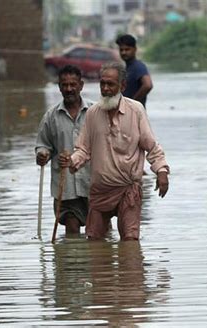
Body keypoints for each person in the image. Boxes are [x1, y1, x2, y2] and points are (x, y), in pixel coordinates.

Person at [60, 61, 169, 241]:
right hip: (100, 190)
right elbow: (83, 149)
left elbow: (151, 146)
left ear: (122, 86)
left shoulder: (136, 110)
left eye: (110, 84)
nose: (105, 88)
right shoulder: (93, 113)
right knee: (94, 241)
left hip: (128, 188)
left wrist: (162, 171)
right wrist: (71, 161)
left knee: (130, 241)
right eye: (102, 83)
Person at [35, 65, 93, 235]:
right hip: (65, 185)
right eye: (64, 85)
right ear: (59, 87)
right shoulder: (51, 116)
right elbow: (43, 144)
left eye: (73, 85)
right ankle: (69, 260)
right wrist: (42, 154)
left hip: (93, 183)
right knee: (72, 230)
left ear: (81, 85)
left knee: (98, 233)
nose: (69, 89)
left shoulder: (94, 112)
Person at [115, 34, 152, 108]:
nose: (123, 52)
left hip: (135, 113)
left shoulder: (138, 66)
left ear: (135, 49)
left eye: (127, 49)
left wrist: (132, 103)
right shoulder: (127, 68)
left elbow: (148, 85)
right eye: (121, 50)